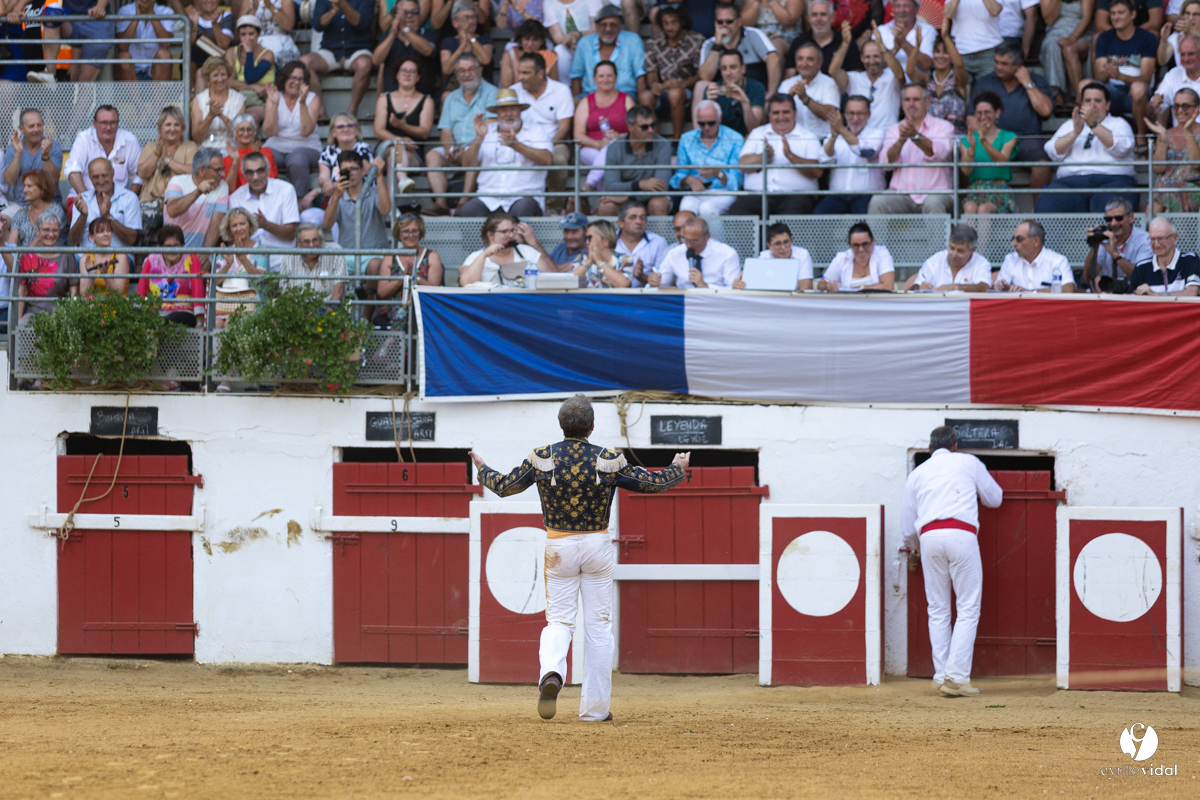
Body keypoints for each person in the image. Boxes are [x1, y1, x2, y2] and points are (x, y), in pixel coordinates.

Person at [471, 395, 688, 722]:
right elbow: (650, 484)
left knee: (558, 620)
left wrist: (483, 469)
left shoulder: (542, 457)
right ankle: (595, 711)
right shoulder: (608, 458)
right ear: (592, 426)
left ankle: (552, 673)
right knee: (599, 628)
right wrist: (677, 468)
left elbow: (505, 486)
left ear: (561, 426)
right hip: (597, 545)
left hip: (559, 546)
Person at [900, 425, 1003, 698]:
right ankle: (956, 678)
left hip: (929, 538)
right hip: (961, 535)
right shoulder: (968, 462)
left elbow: (907, 526)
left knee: (938, 609)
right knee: (968, 607)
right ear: (955, 445)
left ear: (930, 448)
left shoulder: (917, 473)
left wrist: (914, 549)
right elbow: (995, 499)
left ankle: (940, 675)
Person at [1036, 82, 1138, 213]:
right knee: (1046, 205)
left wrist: (1093, 125)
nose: (1092, 105)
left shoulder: (1119, 123)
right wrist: (1075, 133)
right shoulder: (1070, 124)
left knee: (1114, 212)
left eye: (1097, 101)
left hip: (1112, 181)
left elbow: (1123, 148)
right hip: (1070, 183)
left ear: (1108, 105)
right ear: (1081, 104)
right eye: (1087, 101)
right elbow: (1052, 151)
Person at [968, 43, 1053, 193]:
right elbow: (970, 119)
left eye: (1004, 64)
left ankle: (1039, 212)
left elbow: (1046, 111)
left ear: (1018, 65)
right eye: (996, 62)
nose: (998, 67)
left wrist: (1028, 83)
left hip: (1027, 140)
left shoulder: (1037, 81)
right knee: (965, 159)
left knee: (1042, 166)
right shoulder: (984, 82)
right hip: (993, 139)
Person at [459, 89, 553, 216]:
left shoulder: (536, 130)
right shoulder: (486, 132)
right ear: (497, 113)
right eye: (503, 110)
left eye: (513, 109)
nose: (509, 114)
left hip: (524, 197)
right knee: (468, 211)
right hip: (489, 199)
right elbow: (467, 164)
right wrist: (479, 138)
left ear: (520, 111)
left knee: (523, 208)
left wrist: (517, 145)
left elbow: (547, 159)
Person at [426, 55, 498, 215]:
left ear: (480, 70)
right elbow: (445, 130)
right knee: (432, 155)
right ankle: (441, 204)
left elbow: (490, 129)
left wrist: (468, 148)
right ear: (456, 75)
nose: (467, 74)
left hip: (479, 145)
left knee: (475, 151)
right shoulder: (451, 97)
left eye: (471, 69)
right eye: (462, 71)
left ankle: (463, 202)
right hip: (456, 148)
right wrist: (450, 149)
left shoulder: (492, 93)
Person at [869, 83, 956, 214]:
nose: (911, 104)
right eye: (907, 100)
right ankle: (878, 236)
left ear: (927, 103)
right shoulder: (894, 129)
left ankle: (937, 236)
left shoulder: (944, 127)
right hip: (901, 195)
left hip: (936, 192)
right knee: (878, 201)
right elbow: (886, 163)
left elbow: (939, 154)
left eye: (916, 99)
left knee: (933, 202)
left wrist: (915, 137)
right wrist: (901, 141)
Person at [730, 93, 822, 216]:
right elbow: (743, 165)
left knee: (791, 216)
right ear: (769, 115)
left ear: (795, 112)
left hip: (795, 196)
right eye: (775, 113)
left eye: (786, 112)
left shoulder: (808, 136)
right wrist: (764, 157)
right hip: (757, 195)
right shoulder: (758, 133)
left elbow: (817, 172)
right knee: (738, 212)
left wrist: (790, 156)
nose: (781, 117)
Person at [1090, 0, 1158, 151]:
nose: (1115, 17)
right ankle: (1093, 134)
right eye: (1113, 13)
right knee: (1086, 86)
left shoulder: (1147, 38)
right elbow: (1098, 78)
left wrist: (1120, 76)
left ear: (1133, 14)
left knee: (1138, 88)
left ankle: (1141, 135)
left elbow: (1146, 79)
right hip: (1111, 91)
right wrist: (1107, 72)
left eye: (1120, 13)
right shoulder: (1104, 38)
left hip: (1136, 94)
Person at [514, 52, 574, 214]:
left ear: (541, 73)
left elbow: (564, 127)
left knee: (559, 160)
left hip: (555, 141)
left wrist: (544, 147)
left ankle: (553, 208)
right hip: (521, 142)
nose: (520, 77)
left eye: (526, 73)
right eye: (519, 72)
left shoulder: (561, 90)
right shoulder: (514, 92)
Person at [588, 106, 672, 216]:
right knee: (606, 206)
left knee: (658, 203)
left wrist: (628, 197)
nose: (651, 130)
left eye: (653, 125)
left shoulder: (663, 145)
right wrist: (639, 184)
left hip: (651, 197)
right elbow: (611, 186)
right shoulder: (614, 148)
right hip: (629, 197)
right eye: (644, 127)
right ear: (630, 127)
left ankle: (660, 234)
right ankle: (608, 234)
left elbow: (661, 187)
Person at [372, 56, 435, 196]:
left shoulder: (426, 100)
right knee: (395, 148)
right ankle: (403, 179)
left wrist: (404, 126)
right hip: (385, 147)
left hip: (413, 152)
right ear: (397, 75)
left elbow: (424, 132)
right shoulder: (384, 98)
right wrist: (399, 140)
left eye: (412, 71)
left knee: (394, 157)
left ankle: (391, 210)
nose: (407, 74)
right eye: (404, 70)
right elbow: (378, 130)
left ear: (418, 77)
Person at [228, 151, 301, 270]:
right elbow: (232, 236)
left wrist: (266, 225)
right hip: (248, 257)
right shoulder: (236, 197)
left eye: (260, 171)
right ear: (244, 175)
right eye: (250, 173)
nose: (255, 177)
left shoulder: (286, 190)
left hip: (281, 257)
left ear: (268, 171)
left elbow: (291, 234)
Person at [324, 151, 391, 279]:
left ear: (363, 170)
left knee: (376, 265)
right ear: (339, 172)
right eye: (346, 170)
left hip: (375, 254)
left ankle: (368, 296)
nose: (351, 173)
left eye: (354, 169)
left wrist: (379, 176)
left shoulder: (375, 192)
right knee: (327, 267)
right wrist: (336, 197)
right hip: (347, 254)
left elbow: (385, 210)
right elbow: (327, 224)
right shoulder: (337, 196)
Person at [641, 5, 705, 139]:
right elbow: (651, 72)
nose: (669, 27)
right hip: (663, 89)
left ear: (682, 22)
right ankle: (656, 142)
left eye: (673, 22)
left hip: (687, 92)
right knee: (645, 97)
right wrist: (654, 85)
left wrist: (682, 84)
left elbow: (702, 74)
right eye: (665, 23)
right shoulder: (653, 43)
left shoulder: (696, 40)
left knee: (674, 94)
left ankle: (677, 140)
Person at [671, 100, 745, 217]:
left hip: (724, 191)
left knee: (707, 209)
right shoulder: (686, 139)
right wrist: (688, 180)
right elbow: (677, 177)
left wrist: (717, 173)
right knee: (685, 210)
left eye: (711, 123)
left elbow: (737, 182)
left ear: (719, 119)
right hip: (696, 192)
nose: (706, 127)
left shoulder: (735, 138)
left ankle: (714, 236)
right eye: (701, 123)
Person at [574, 61, 635, 201]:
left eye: (609, 76)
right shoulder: (586, 101)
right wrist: (598, 144)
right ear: (594, 79)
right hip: (590, 148)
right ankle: (605, 201)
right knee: (607, 157)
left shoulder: (626, 100)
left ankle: (590, 184)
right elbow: (577, 135)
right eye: (601, 76)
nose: (605, 79)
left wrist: (619, 136)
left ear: (616, 78)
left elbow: (636, 131)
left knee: (610, 149)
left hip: (620, 148)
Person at [263, 61, 323, 199]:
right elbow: (269, 132)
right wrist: (274, 104)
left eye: (300, 79)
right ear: (284, 78)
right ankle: (269, 200)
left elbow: (306, 131)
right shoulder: (274, 96)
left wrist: (302, 102)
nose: (296, 82)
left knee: (297, 158)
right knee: (264, 157)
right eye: (292, 77)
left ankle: (299, 201)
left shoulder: (312, 98)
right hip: (276, 146)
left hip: (307, 147)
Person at [304, 0, 375, 117]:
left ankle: (352, 111)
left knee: (364, 64)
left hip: (356, 49)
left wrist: (343, 4)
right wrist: (334, 10)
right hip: (331, 50)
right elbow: (317, 25)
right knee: (304, 62)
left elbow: (361, 23)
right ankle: (320, 110)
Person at [815, 96, 885, 214]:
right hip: (837, 197)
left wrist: (841, 128)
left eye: (860, 113)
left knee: (864, 228)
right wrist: (833, 137)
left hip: (867, 196)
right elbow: (824, 160)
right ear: (845, 114)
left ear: (869, 115)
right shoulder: (837, 133)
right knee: (816, 222)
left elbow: (865, 152)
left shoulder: (877, 133)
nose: (855, 118)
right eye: (851, 113)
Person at [832, 21, 905, 132]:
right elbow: (833, 71)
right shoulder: (854, 78)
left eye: (876, 56)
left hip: (888, 137)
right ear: (861, 58)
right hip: (859, 138)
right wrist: (846, 43)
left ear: (883, 57)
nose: (871, 61)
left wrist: (881, 45)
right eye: (867, 57)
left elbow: (900, 76)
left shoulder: (891, 77)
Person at [374, 214, 444, 327]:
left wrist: (414, 276)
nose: (410, 235)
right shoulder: (390, 257)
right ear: (398, 234)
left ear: (420, 232)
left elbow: (434, 290)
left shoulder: (432, 256)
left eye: (414, 231)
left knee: (411, 312)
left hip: (423, 306)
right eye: (406, 231)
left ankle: (389, 343)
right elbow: (382, 293)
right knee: (405, 312)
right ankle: (393, 342)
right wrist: (403, 277)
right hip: (393, 308)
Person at [698, 2, 780, 96]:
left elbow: (774, 59)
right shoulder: (710, 44)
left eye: (729, 21)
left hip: (753, 93)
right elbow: (705, 77)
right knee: (700, 86)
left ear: (739, 21)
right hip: (723, 95)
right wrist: (717, 45)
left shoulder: (753, 34)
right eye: (720, 22)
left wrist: (771, 93)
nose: (724, 25)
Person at [138, 224, 207, 332]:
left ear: (182, 246)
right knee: (152, 324)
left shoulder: (192, 259)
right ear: (160, 247)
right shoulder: (151, 259)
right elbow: (142, 290)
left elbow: (198, 291)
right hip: (156, 312)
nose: (173, 250)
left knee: (166, 321)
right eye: (168, 246)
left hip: (183, 313)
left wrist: (199, 322)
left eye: (176, 245)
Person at [460, 210, 555, 285]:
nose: (510, 236)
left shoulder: (527, 252)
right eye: (505, 232)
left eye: (513, 231)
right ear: (490, 235)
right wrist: (484, 255)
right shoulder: (476, 257)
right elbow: (466, 283)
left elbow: (550, 277)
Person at [569, 4, 645, 98]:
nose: (608, 29)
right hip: (590, 95)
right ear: (596, 26)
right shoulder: (584, 43)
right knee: (575, 104)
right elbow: (576, 76)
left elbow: (641, 75)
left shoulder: (633, 40)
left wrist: (640, 105)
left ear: (620, 26)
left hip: (625, 94)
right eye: (603, 25)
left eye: (613, 25)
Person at [959, 92, 1018, 213]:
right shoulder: (967, 140)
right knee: (969, 207)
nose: (983, 116)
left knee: (984, 209)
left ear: (997, 113)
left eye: (987, 112)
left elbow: (1002, 161)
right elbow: (966, 171)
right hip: (976, 189)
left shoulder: (1009, 136)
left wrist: (984, 142)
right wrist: (971, 150)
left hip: (999, 189)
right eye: (979, 113)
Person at [64, 106, 142, 197]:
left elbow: (141, 174)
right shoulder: (84, 139)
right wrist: (89, 201)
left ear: (118, 123)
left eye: (113, 122)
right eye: (104, 123)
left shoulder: (130, 141)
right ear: (94, 124)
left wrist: (127, 200)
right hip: (84, 198)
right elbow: (73, 171)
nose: (109, 127)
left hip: (119, 202)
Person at [164, 148, 229, 255]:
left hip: (200, 254)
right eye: (218, 170)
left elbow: (216, 225)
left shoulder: (222, 186)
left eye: (223, 169)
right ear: (202, 170)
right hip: (171, 254)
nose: (223, 174)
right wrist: (198, 192)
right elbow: (172, 210)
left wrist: (205, 253)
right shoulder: (178, 181)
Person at [13, 212, 76, 321]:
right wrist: (19, 319)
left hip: (61, 314)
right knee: (22, 326)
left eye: (55, 230)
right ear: (37, 231)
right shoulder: (27, 257)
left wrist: (72, 315)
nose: (51, 234)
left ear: (60, 232)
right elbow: (22, 291)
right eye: (46, 230)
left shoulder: (67, 256)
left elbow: (73, 290)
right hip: (33, 314)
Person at [650, 216, 741, 288]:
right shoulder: (674, 253)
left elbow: (733, 289)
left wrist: (705, 286)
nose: (688, 245)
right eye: (685, 240)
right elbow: (662, 283)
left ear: (707, 237)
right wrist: (654, 282)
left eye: (694, 241)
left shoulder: (727, 254)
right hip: (684, 305)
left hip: (716, 304)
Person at [69, 158, 142, 249]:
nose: (101, 181)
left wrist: (108, 217)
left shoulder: (129, 198)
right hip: (86, 258)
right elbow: (73, 240)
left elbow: (131, 239)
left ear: (113, 174)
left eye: (104, 175)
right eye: (96, 177)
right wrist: (83, 216)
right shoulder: (83, 199)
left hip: (118, 257)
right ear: (90, 178)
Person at [374, 0, 440, 99]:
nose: (409, 16)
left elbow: (428, 50)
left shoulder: (428, 34)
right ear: (397, 15)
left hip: (422, 101)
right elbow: (376, 60)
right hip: (393, 100)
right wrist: (393, 33)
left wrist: (405, 29)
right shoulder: (389, 38)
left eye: (414, 12)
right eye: (405, 12)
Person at [1081, 197, 1151, 291]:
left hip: (1136, 297)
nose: (1113, 223)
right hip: (1110, 296)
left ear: (1131, 217)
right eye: (1109, 219)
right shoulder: (1105, 239)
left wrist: (1115, 255)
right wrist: (1094, 246)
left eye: (1118, 218)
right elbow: (1088, 277)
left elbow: (1142, 278)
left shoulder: (1145, 240)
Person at [1147, 88, 1200, 211]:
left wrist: (1188, 131)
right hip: (1165, 188)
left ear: (1197, 108)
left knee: (1164, 188)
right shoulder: (1166, 133)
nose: (1180, 110)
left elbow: (1197, 164)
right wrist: (1163, 138)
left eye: (1185, 106)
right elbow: (1158, 168)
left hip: (1193, 186)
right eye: (1176, 106)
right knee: (1162, 188)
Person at [908, 28, 969, 134]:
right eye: (937, 52)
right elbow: (909, 71)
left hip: (955, 141)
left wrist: (945, 36)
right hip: (930, 141)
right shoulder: (927, 79)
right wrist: (917, 46)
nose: (940, 56)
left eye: (946, 52)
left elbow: (959, 66)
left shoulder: (958, 79)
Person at [136, 107, 199, 208]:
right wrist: (157, 153)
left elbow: (193, 172)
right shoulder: (150, 147)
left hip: (180, 202)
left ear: (183, 128)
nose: (172, 129)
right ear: (160, 128)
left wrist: (167, 160)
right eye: (168, 125)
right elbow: (142, 173)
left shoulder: (190, 147)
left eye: (177, 125)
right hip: (151, 203)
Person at [779, 41, 841, 138]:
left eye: (810, 59)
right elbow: (776, 115)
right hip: (793, 140)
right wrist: (789, 98)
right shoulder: (786, 84)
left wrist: (805, 98)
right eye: (800, 59)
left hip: (822, 141)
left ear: (819, 63)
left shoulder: (829, 83)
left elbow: (831, 116)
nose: (804, 64)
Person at [697, 49, 766, 137]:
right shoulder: (713, 90)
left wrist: (744, 102)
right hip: (721, 139)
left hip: (747, 138)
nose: (728, 73)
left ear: (743, 69)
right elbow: (706, 129)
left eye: (733, 67)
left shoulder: (756, 87)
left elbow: (753, 129)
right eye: (724, 68)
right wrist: (710, 103)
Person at [785, 0, 863, 76]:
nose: (818, 19)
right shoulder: (799, 42)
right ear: (809, 18)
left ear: (832, 17)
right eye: (814, 15)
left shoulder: (846, 41)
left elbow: (857, 77)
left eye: (823, 14)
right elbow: (789, 77)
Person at [904, 224, 992, 290]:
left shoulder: (982, 263)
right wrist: (920, 287)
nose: (954, 254)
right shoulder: (935, 260)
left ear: (972, 250)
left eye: (960, 251)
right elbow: (914, 288)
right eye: (951, 248)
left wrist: (955, 287)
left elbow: (984, 287)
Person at [276, 223, 349, 303]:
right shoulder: (288, 259)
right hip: (298, 309)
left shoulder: (334, 251)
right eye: (306, 241)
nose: (311, 245)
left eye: (315, 240)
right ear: (299, 243)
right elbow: (285, 293)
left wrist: (330, 310)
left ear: (321, 240)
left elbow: (339, 288)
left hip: (328, 306)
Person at [995, 219, 1075, 291]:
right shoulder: (1010, 259)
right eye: (1013, 238)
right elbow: (994, 289)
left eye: (1019, 239)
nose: (1014, 243)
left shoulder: (1057, 261)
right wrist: (1000, 287)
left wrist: (1028, 293)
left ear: (1036, 241)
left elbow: (1068, 289)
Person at [1044, 0, 1096, 110]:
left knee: (1069, 49)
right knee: (1051, 46)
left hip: (1082, 34)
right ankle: (1057, 96)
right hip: (1055, 32)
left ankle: (1079, 97)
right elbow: (1049, 20)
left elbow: (1087, 17)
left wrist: (1072, 38)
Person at [224, 15, 276, 124]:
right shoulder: (231, 53)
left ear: (259, 34)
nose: (247, 38)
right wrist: (253, 87)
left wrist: (249, 52)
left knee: (251, 118)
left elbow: (251, 77)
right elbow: (228, 81)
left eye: (251, 34)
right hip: (237, 99)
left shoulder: (267, 54)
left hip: (260, 101)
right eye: (243, 34)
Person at [1130, 216, 1200, 295]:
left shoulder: (1190, 260)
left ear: (1174, 238)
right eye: (1152, 239)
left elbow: (1191, 293)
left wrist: (1154, 295)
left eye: (1161, 238)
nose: (1156, 244)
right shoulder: (1141, 267)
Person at [4, 110, 62, 205]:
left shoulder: (53, 147)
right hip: (20, 205)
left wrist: (45, 156)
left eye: (39, 125)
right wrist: (18, 154)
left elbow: (53, 180)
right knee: (2, 219)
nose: (36, 129)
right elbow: (9, 180)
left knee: (46, 220)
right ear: (21, 129)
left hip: (48, 205)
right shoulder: (13, 148)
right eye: (31, 126)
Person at [733, 221, 814, 290]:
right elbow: (750, 286)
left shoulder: (802, 254)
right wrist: (738, 284)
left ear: (792, 240)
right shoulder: (764, 257)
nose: (783, 247)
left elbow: (805, 289)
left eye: (786, 242)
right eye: (778, 243)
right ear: (769, 246)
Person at [192, 58, 248, 154]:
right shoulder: (198, 100)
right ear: (208, 79)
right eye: (215, 75)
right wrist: (210, 116)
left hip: (232, 150)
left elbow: (242, 134)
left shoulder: (239, 99)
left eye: (223, 74)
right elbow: (197, 138)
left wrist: (221, 115)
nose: (220, 79)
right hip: (206, 149)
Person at [819, 221, 896, 290]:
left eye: (865, 244)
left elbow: (888, 286)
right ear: (849, 244)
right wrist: (827, 286)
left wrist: (858, 289)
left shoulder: (881, 253)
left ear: (873, 241)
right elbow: (820, 285)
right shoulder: (842, 258)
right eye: (856, 245)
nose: (861, 249)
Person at [114, 0, 176, 82]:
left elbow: (166, 44)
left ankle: (158, 95)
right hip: (131, 71)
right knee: (123, 57)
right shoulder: (125, 11)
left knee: (164, 55)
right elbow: (122, 46)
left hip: (155, 70)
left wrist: (151, 13)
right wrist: (137, 17)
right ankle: (136, 96)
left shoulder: (166, 11)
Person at [440, 2, 495, 88]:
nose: (471, 21)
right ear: (455, 22)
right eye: (466, 18)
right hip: (455, 86)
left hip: (481, 85)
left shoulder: (485, 39)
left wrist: (469, 36)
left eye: (473, 17)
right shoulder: (448, 42)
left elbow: (486, 60)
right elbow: (447, 69)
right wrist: (462, 46)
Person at [4, 170, 65, 248]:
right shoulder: (21, 213)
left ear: (43, 189)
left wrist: (21, 254)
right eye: (24, 186)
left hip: (51, 258)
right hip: (24, 259)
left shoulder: (55, 212)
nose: (24, 190)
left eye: (29, 186)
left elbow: (45, 242)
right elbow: (11, 246)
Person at [944, 0, 1004, 80]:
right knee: (961, 90)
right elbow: (947, 14)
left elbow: (995, 10)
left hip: (988, 51)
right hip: (961, 51)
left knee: (988, 89)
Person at [614, 199, 668, 285]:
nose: (639, 222)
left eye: (642, 218)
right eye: (632, 217)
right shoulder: (609, 241)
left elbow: (662, 282)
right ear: (620, 223)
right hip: (613, 295)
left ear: (646, 222)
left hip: (646, 296)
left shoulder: (658, 242)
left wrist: (641, 276)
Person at [546, 0, 598, 88]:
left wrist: (577, 35)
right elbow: (557, 36)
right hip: (568, 45)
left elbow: (597, 29)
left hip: (591, 43)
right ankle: (565, 88)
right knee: (560, 51)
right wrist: (568, 41)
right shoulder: (549, 2)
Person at [1153, 33, 1200, 126]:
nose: (1186, 59)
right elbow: (1154, 107)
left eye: (1191, 54)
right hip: (1180, 137)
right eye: (1182, 55)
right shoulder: (1173, 75)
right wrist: (1153, 104)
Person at [224, 114, 280, 192]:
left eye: (249, 129)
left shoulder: (265, 152)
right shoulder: (229, 157)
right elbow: (228, 190)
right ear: (234, 133)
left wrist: (257, 157)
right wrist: (235, 162)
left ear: (254, 132)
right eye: (241, 130)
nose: (246, 133)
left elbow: (272, 182)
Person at [570, 220, 633, 287]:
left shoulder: (624, 258)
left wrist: (599, 262)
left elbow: (624, 284)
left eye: (590, 238)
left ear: (605, 241)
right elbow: (567, 283)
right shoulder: (582, 258)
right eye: (586, 238)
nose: (587, 242)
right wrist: (587, 263)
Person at [78, 219, 131, 298]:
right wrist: (91, 276)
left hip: (116, 307)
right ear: (92, 236)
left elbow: (118, 293)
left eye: (109, 230)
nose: (106, 234)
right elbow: (84, 294)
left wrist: (105, 275)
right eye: (101, 231)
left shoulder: (121, 257)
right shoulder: (85, 259)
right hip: (94, 307)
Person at [234, 0, 300, 64]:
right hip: (255, 41)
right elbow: (240, 26)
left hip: (280, 40)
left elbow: (289, 25)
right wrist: (253, 10)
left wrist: (270, 6)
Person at [188, 0, 235, 89]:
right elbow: (189, 45)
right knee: (190, 51)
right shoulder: (193, 15)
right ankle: (191, 90)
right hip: (198, 58)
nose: (209, 1)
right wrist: (194, 25)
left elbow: (224, 44)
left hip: (219, 58)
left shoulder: (226, 16)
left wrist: (214, 24)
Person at [501, 18, 559, 89]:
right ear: (521, 39)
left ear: (542, 41)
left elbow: (554, 86)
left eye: (535, 39)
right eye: (526, 39)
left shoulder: (550, 56)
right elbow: (506, 88)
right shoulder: (509, 55)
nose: (530, 44)